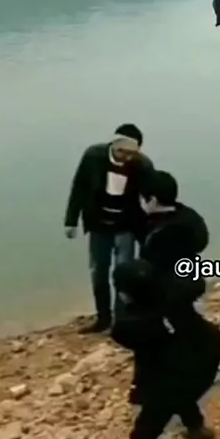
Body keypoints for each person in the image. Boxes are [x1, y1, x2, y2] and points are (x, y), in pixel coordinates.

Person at [110, 258, 220, 439]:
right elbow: (197, 282)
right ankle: (197, 428)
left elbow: (126, 328)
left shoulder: (129, 327)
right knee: (182, 391)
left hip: (175, 376)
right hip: (208, 356)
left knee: (143, 433)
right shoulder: (178, 291)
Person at [128, 169, 212, 404]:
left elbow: (151, 267)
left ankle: (147, 389)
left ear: (153, 200)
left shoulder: (162, 233)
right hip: (192, 282)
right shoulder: (188, 216)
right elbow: (202, 241)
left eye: (144, 199)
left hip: (169, 293)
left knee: (151, 339)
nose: (142, 204)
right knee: (187, 328)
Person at [64, 124, 154, 334]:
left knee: (123, 273)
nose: (126, 157)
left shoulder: (142, 165)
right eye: (122, 151)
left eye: (132, 153)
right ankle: (103, 318)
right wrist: (71, 221)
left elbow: (152, 196)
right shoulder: (93, 156)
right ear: (113, 144)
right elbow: (79, 187)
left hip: (126, 225)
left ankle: (122, 319)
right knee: (98, 272)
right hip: (98, 224)